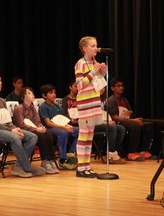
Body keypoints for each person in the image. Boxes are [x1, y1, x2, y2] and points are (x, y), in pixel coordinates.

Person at [0, 72, 46, 178]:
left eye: (0, 80)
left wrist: (15, 128)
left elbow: (7, 120)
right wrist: (11, 130)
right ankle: (27, 167)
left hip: (6, 129)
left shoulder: (2, 100)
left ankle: (19, 166)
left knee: (33, 136)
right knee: (15, 137)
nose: (0, 83)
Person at [62, 81, 126, 164]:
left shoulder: (102, 100)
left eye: (103, 88)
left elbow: (102, 113)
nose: (102, 89)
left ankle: (112, 152)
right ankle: (111, 154)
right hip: (88, 123)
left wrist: (107, 120)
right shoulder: (88, 98)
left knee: (121, 128)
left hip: (97, 121)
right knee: (112, 127)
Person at [74, 36, 107, 178]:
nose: (96, 48)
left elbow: (98, 83)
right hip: (85, 103)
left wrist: (103, 72)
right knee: (83, 135)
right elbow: (80, 85)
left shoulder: (94, 62)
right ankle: (80, 168)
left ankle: (87, 166)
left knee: (89, 136)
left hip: (94, 102)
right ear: (84, 48)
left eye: (96, 45)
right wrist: (93, 71)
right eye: (93, 46)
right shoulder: (80, 64)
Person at [105, 77, 156, 161]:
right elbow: (114, 117)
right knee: (134, 125)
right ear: (112, 88)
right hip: (118, 122)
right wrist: (132, 120)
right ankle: (131, 152)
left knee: (148, 125)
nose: (121, 88)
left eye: (122, 86)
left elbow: (129, 112)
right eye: (118, 86)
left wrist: (130, 113)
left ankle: (143, 151)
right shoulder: (111, 100)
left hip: (127, 120)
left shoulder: (124, 99)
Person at [13, 87, 59, 174]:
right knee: (40, 136)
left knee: (47, 133)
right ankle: (45, 161)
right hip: (24, 131)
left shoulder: (32, 107)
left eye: (32, 93)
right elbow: (21, 125)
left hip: (34, 129)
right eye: (29, 93)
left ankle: (51, 160)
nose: (32, 95)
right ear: (23, 97)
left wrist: (41, 127)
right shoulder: (19, 108)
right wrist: (37, 129)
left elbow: (37, 121)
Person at [38, 84, 79, 170]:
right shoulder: (43, 107)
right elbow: (48, 123)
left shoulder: (56, 106)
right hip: (50, 129)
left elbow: (62, 119)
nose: (54, 95)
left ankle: (71, 153)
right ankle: (62, 159)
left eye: (54, 92)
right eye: (51, 93)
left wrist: (67, 125)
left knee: (78, 130)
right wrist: (64, 128)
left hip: (60, 126)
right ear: (44, 95)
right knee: (63, 133)